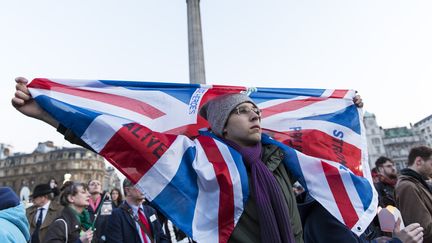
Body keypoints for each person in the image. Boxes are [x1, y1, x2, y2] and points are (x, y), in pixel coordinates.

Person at [12, 76, 366, 242]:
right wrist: (50, 114)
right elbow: (124, 141)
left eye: (255, 110)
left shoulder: (283, 159)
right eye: (243, 112)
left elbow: (327, 149)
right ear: (223, 127)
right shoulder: (201, 164)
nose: (255, 116)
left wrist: (347, 111)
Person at [395, 146, 432, 242]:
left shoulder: (416, 183)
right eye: (431, 164)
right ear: (419, 161)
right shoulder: (408, 186)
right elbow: (423, 230)